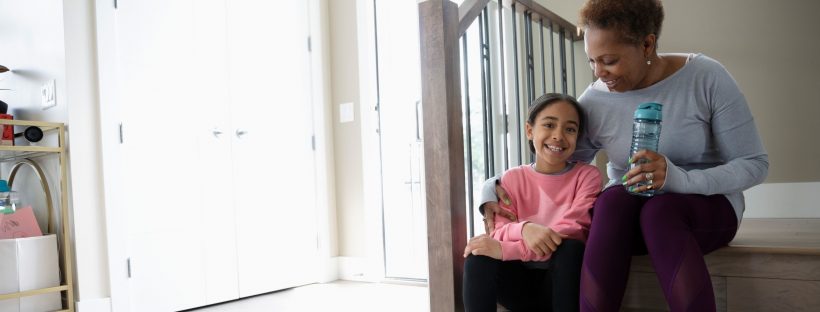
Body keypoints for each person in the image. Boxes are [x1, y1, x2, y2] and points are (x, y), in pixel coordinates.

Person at [481, 0, 769, 311]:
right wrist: (492, 188)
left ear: (647, 44)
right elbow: (551, 160)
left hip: (704, 209)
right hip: (627, 218)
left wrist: (678, 179)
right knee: (611, 200)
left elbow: (754, 165)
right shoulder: (595, 100)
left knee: (659, 211)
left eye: (609, 61)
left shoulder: (705, 77)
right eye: (592, 61)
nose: (599, 73)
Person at [462, 93, 602, 312]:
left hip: (561, 283)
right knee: (477, 254)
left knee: (571, 248)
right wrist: (526, 229)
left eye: (570, 129)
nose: (558, 136)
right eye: (549, 125)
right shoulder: (511, 178)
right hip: (517, 284)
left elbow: (573, 229)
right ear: (530, 130)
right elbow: (498, 231)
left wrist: (507, 250)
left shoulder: (588, 176)